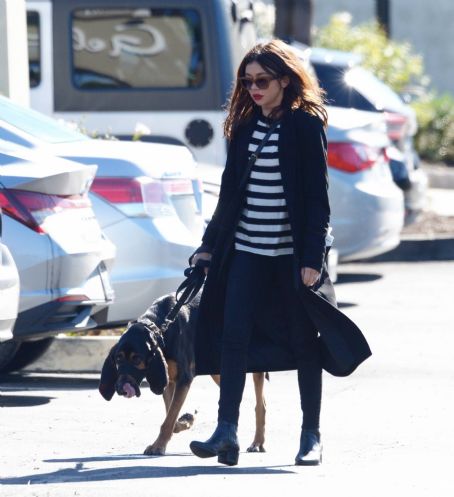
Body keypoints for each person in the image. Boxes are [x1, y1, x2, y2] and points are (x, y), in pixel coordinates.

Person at [187, 39, 364, 467]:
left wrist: (312, 258)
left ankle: (310, 436)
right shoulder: (245, 127)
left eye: (262, 80)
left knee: (305, 342)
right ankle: (226, 430)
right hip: (245, 251)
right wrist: (208, 248)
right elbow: (230, 195)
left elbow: (317, 200)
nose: (253, 89)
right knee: (233, 337)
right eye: (247, 82)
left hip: (290, 257)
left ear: (285, 80)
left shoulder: (305, 126)